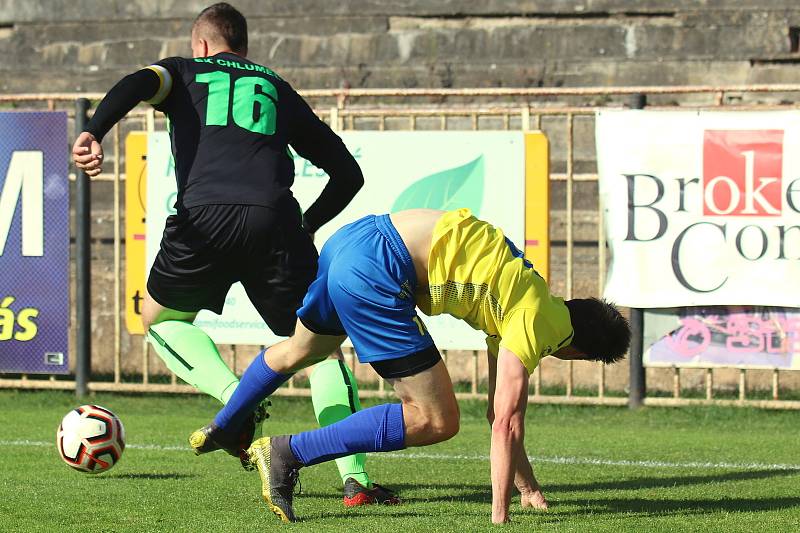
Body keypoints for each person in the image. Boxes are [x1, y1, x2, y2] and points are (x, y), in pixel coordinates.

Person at [71, 2, 397, 506]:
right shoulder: (276, 87)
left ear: (201, 44)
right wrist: (304, 225)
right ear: (243, 48)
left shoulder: (183, 70)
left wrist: (95, 129)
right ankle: (354, 481)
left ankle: (235, 402)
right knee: (317, 347)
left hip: (204, 218)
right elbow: (348, 175)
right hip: (276, 221)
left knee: (159, 318)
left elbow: (137, 82)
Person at [192, 207, 631, 523]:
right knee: (438, 420)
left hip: (354, 238)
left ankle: (227, 424)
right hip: (379, 269)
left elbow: (499, 414)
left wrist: (527, 487)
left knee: (299, 350)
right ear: (581, 352)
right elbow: (507, 425)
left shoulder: (529, 294)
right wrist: (500, 517)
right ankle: (288, 453)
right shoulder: (538, 325)